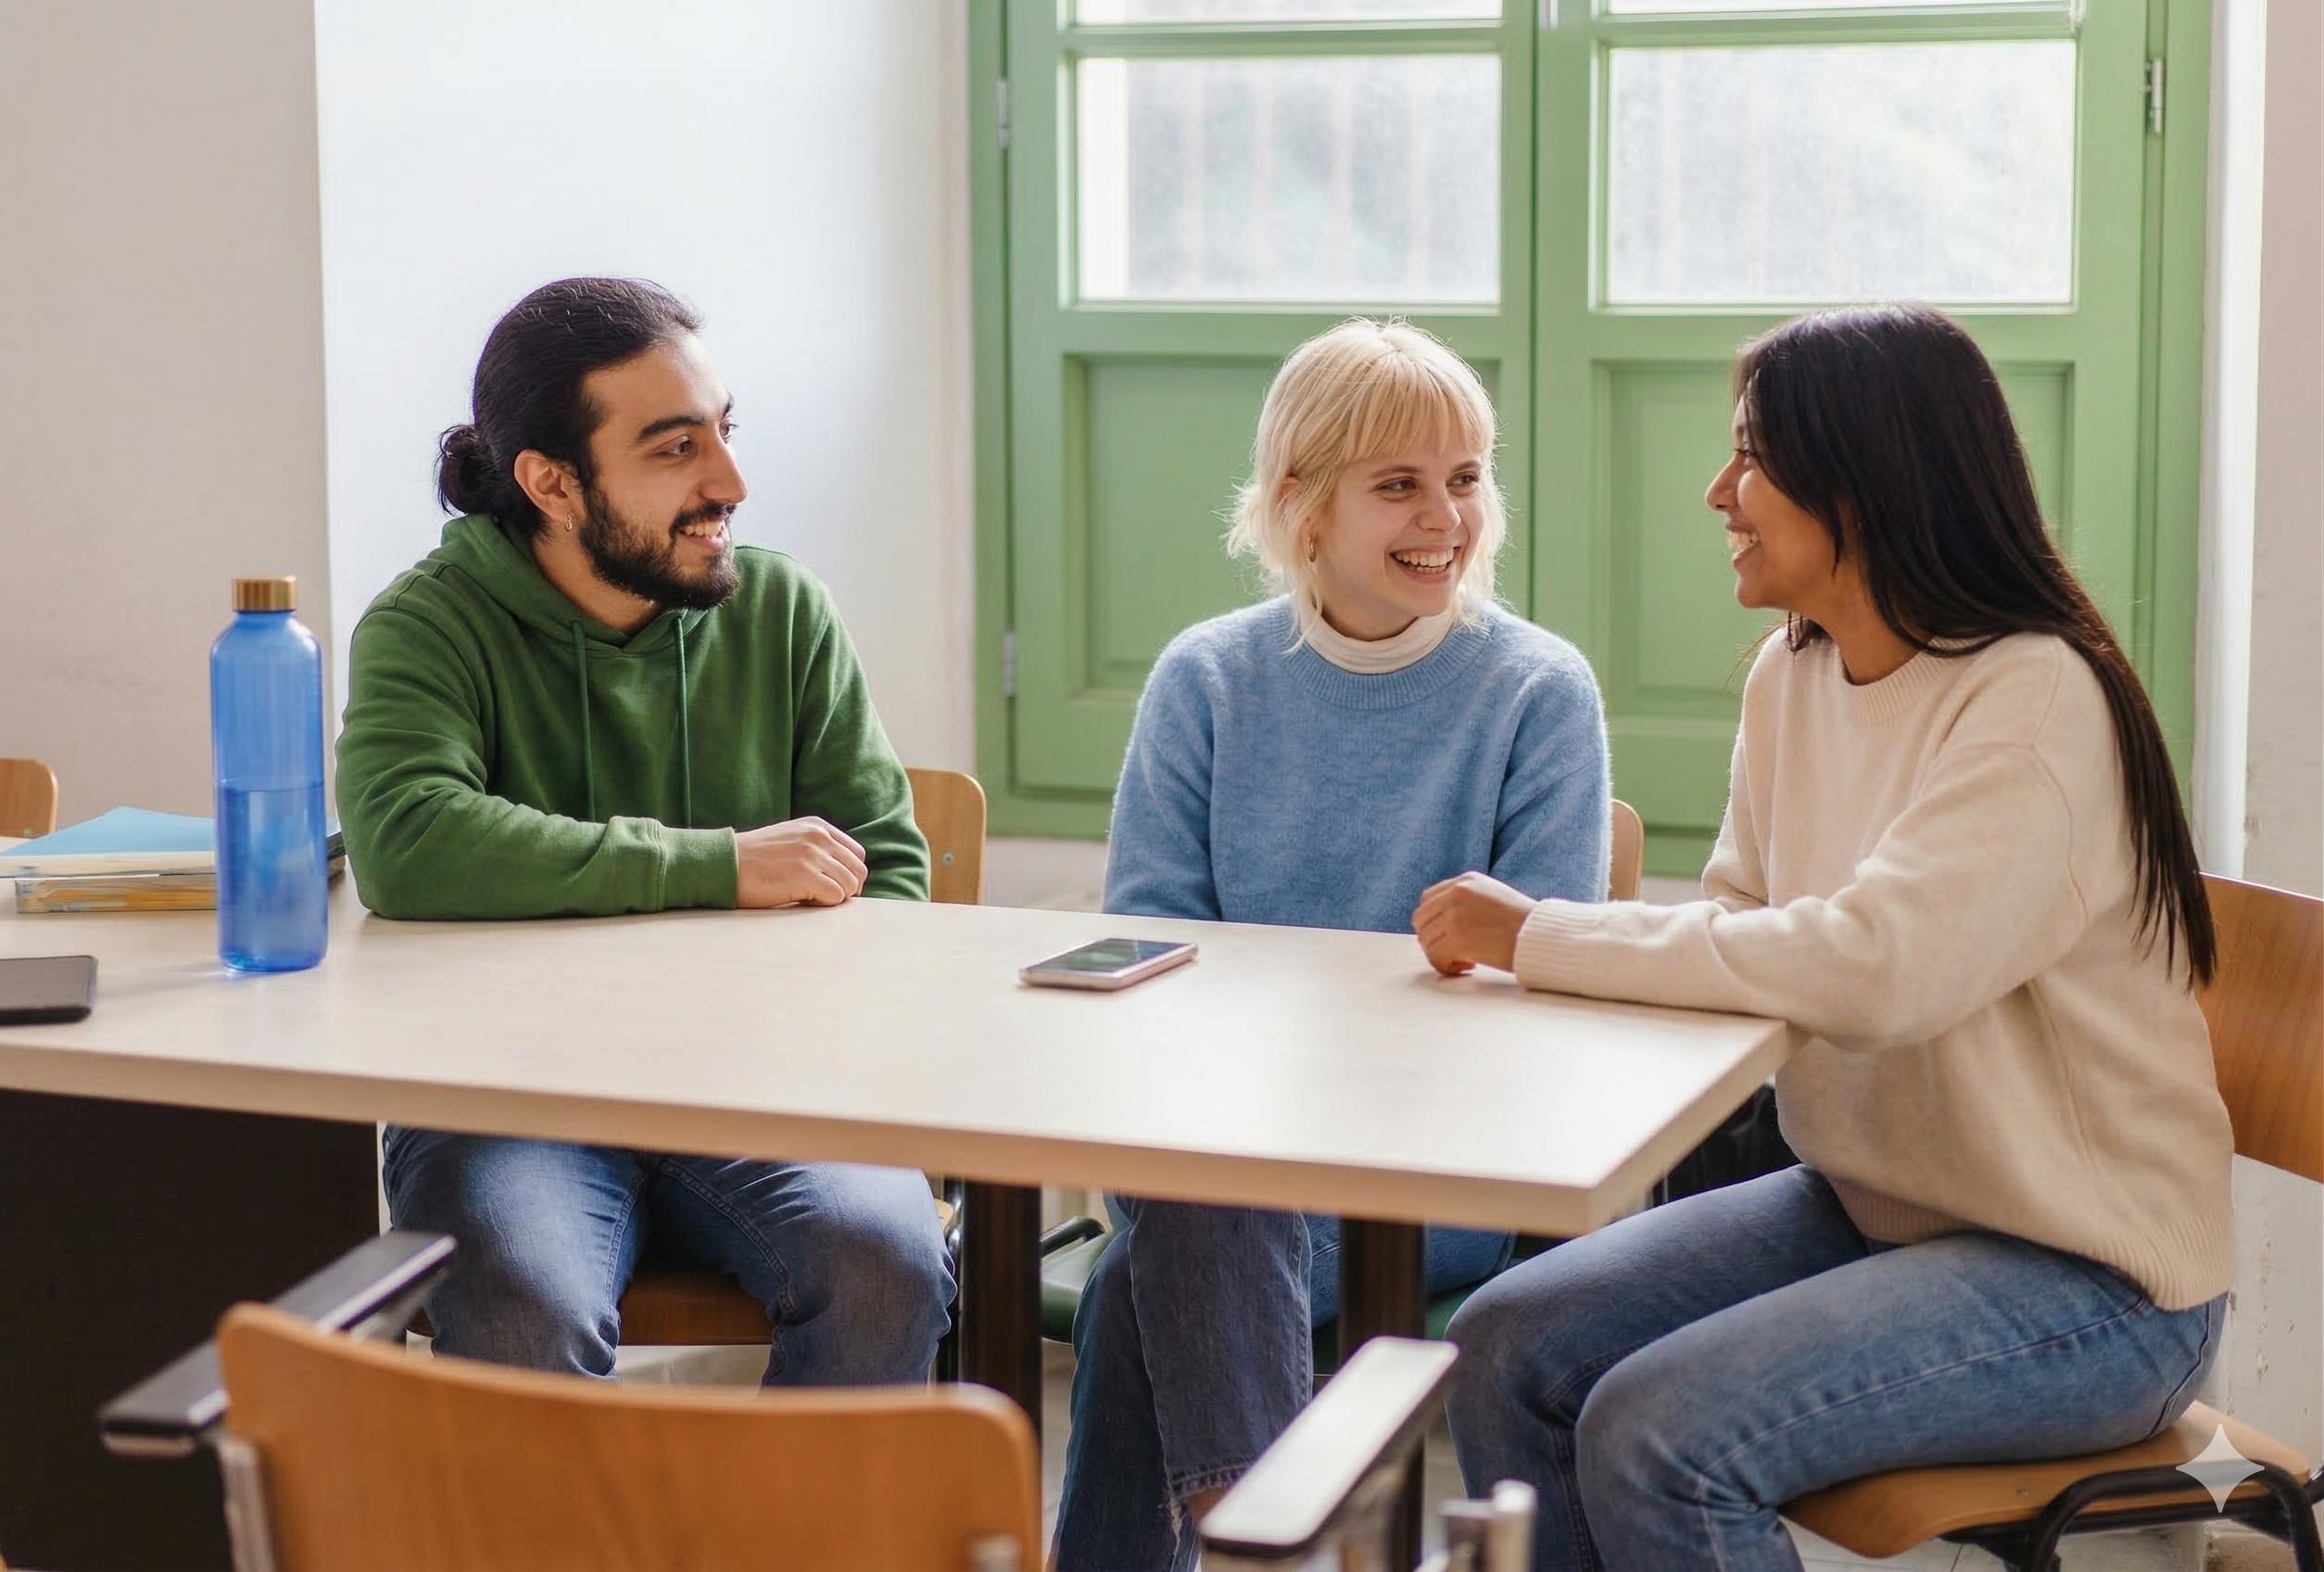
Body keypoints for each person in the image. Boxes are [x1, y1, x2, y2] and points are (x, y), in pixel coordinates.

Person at [1416, 303, 2232, 1572]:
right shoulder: (1790, 676)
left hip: (2092, 1281)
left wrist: (1546, 938)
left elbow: (1874, 965)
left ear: (1866, 480)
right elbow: (1750, 929)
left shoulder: (2032, 699)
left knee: (1659, 1433)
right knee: (1508, 1345)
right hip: (1880, 1204)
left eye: (1750, 455)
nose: (1717, 492)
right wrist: (1569, 969)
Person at [1054, 319, 1610, 1569]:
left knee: (1130, 1292)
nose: (1447, 516)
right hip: (1210, 1144)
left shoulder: (1536, 692)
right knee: (1207, 1195)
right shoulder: (1207, 679)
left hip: (1428, 1167)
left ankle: (1257, 1549)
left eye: (1467, 476)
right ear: (1302, 504)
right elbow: (1151, 953)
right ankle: (1284, 1548)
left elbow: (1538, 980)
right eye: (1400, 483)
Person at [336, 276, 953, 1385]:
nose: (730, 482)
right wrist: (719, 866)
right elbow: (406, 837)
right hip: (506, 1100)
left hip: (764, 1086)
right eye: (675, 449)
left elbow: (890, 876)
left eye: (724, 431)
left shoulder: (782, 610)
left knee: (886, 1264)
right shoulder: (428, 625)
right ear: (551, 483)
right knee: (524, 1304)